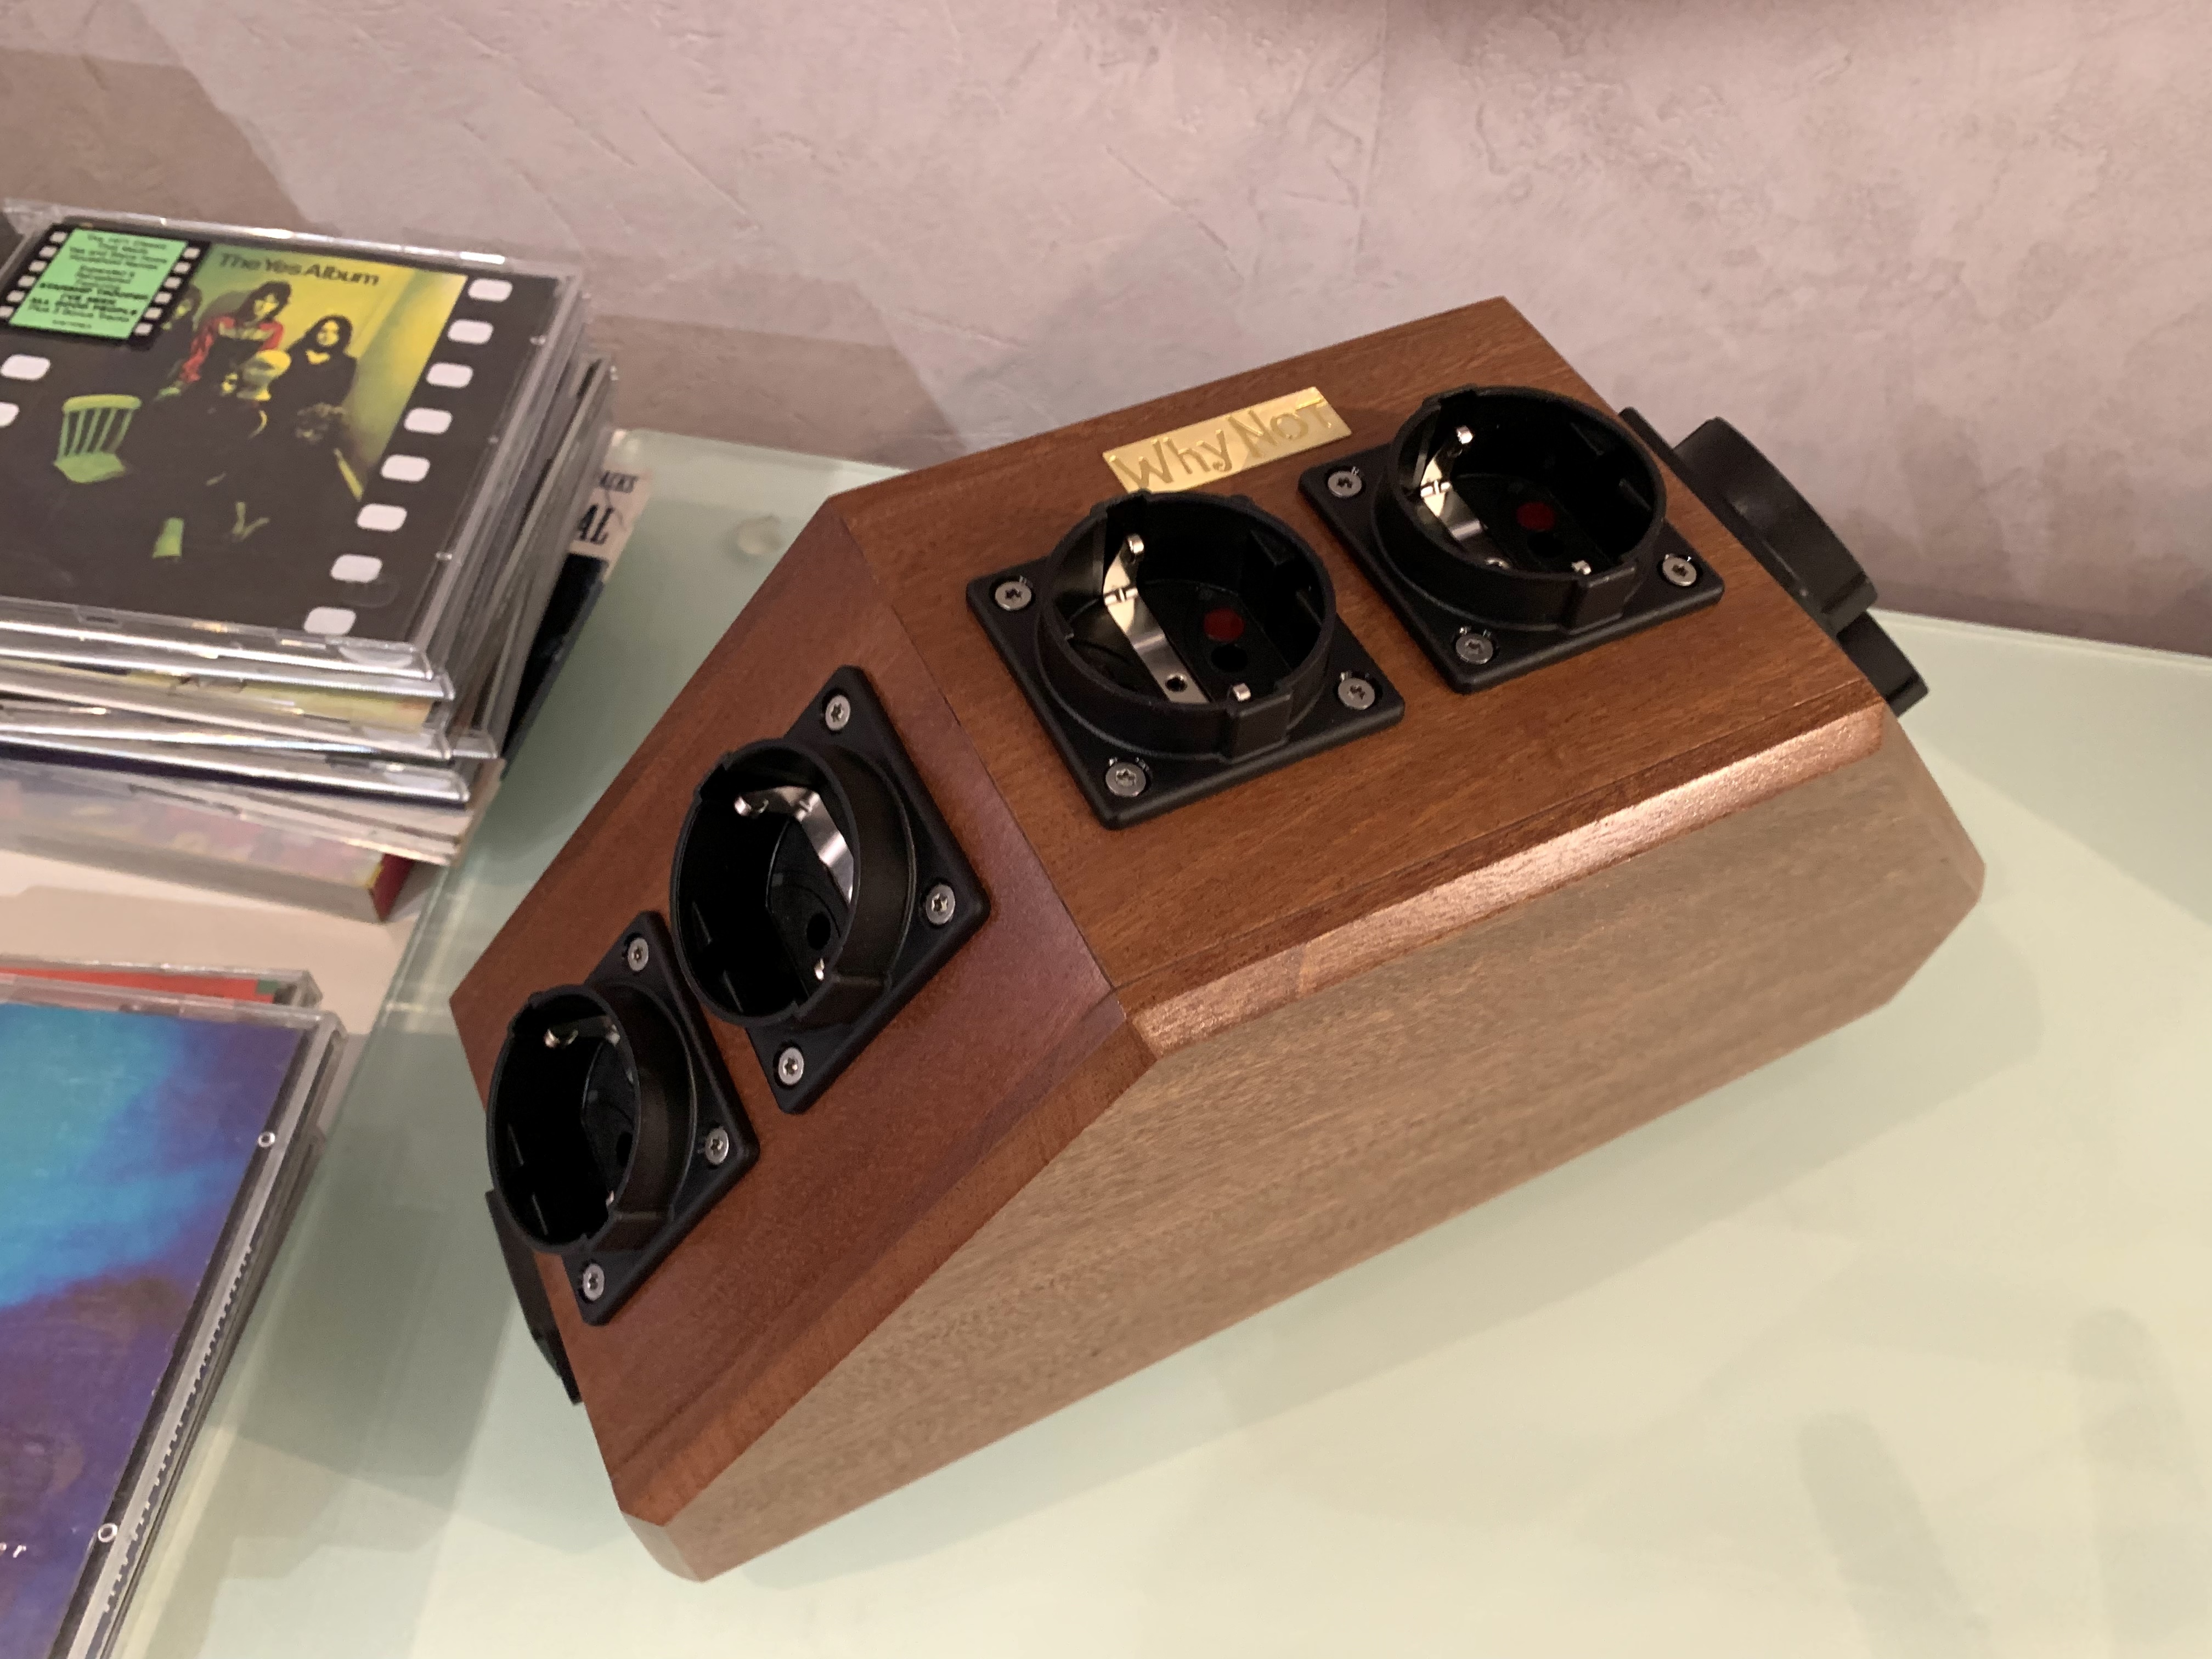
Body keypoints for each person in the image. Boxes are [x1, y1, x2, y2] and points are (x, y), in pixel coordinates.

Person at [164, 279, 291, 397]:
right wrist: (185, 380)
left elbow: (260, 365)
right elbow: (199, 354)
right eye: (262, 299)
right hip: (205, 380)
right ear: (254, 298)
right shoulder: (221, 322)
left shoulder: (274, 330)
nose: (264, 306)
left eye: (272, 302)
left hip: (239, 388)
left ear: (278, 306)